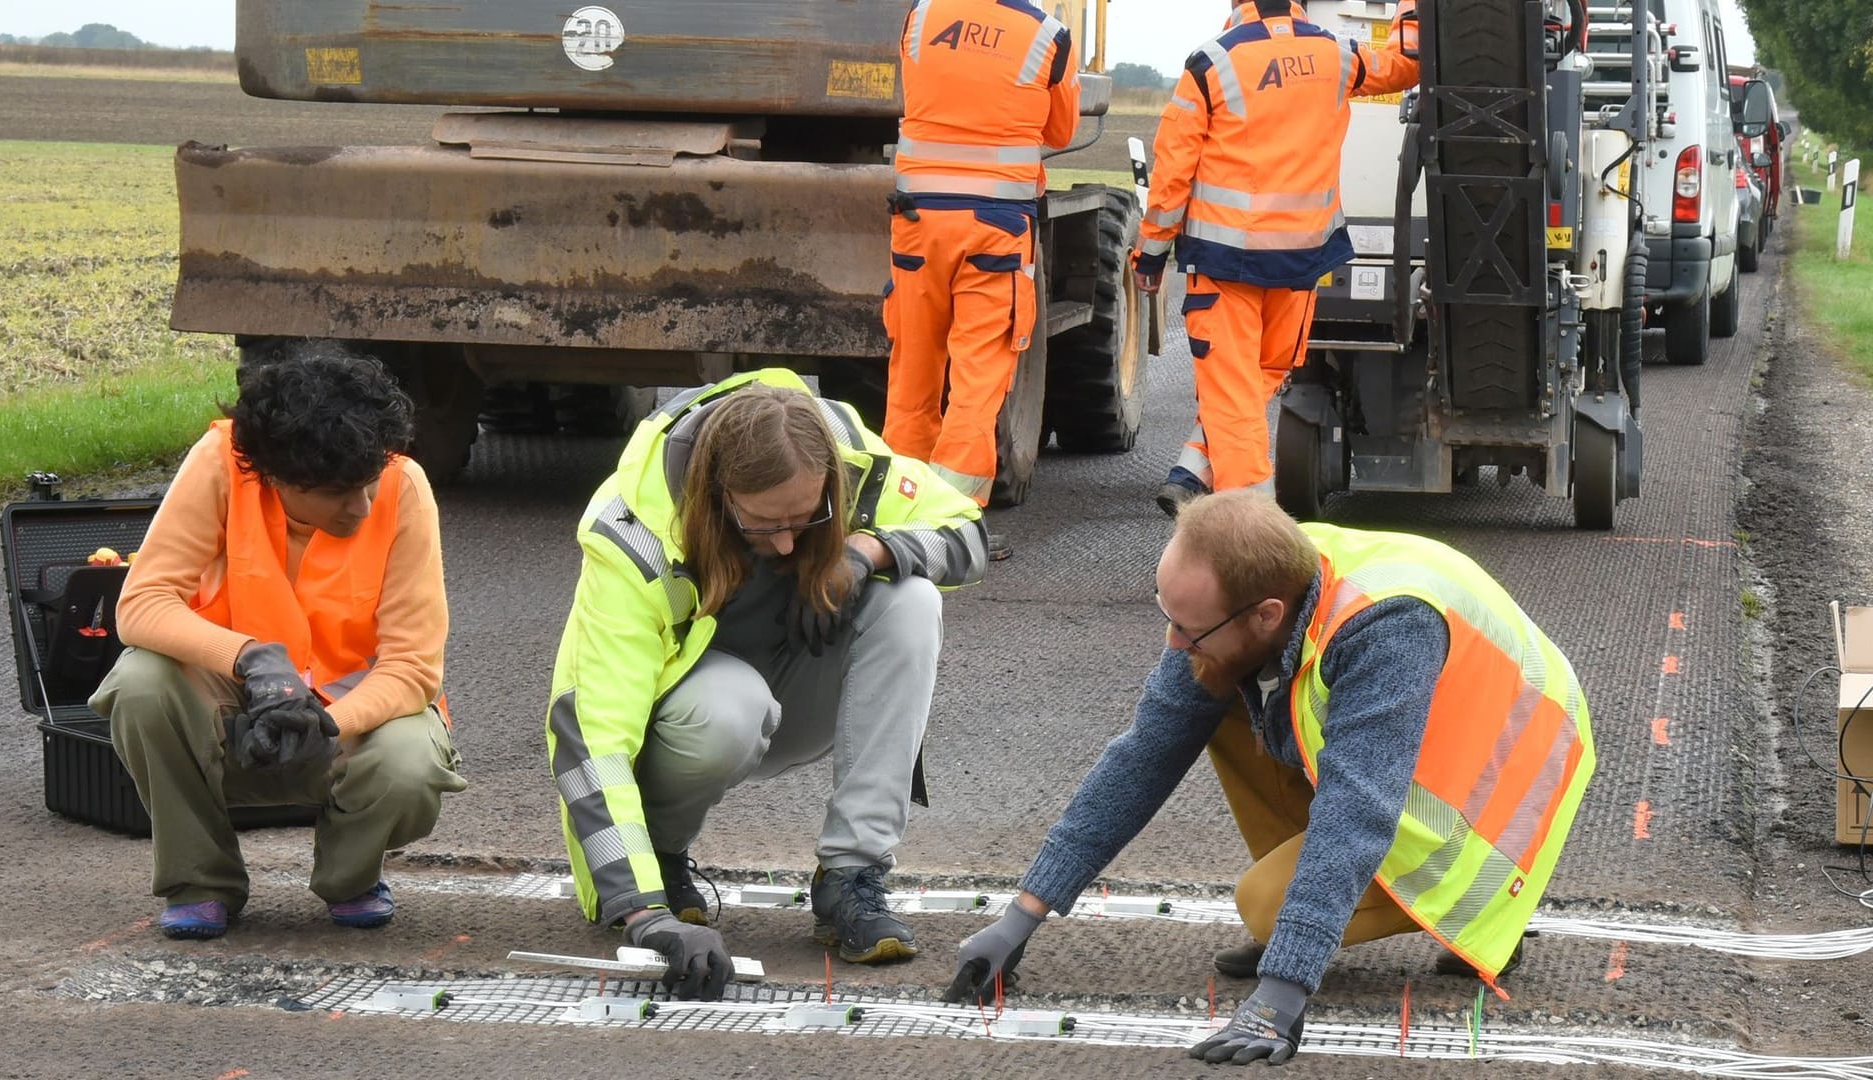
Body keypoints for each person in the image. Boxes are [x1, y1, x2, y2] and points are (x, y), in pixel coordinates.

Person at [945, 489, 1595, 1066]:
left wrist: (1282, 990)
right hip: (1415, 757)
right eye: (1167, 616)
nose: (1173, 642)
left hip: (1496, 815)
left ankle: (1489, 918)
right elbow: (1144, 754)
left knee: (1264, 905)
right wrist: (1022, 914)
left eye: (1188, 627)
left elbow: (1357, 810)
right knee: (1211, 688)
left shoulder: (1387, 628)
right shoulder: (1259, 574)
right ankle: (1316, 911)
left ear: (1265, 613)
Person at [548, 369, 988, 1001]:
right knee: (731, 708)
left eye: (805, 519)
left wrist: (865, 552)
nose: (785, 543)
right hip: (693, 727)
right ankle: (665, 861)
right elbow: (593, 741)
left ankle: (851, 876)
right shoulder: (634, 535)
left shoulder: (845, 456)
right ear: (717, 495)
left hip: (795, 693)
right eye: (762, 524)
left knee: (912, 599)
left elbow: (969, 530)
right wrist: (643, 913)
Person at [93, 339, 467, 940]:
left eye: (370, 481)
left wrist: (327, 725)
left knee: (410, 763)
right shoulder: (223, 461)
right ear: (274, 476)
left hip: (347, 721)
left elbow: (413, 667)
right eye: (340, 492)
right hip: (240, 713)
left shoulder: (404, 487)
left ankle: (351, 876)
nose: (363, 507)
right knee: (139, 681)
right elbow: (141, 606)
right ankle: (200, 881)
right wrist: (251, 660)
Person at [1135, 0, 1420, 517]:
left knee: (1233, 392)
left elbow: (1172, 169)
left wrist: (1152, 252)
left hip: (1226, 263)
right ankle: (1196, 466)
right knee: (1257, 376)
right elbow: (1404, 63)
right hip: (1302, 262)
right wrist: (1412, 10)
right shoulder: (1336, 54)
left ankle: (1253, 537)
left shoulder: (1213, 62)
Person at [883, 0, 1083, 554]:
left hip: (918, 220)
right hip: (995, 227)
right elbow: (1060, 130)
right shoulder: (1047, 34)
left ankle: (896, 515)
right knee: (976, 380)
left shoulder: (921, 16)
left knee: (913, 372)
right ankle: (947, 526)